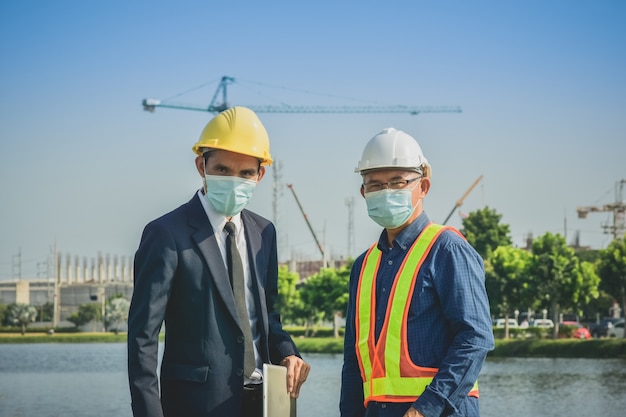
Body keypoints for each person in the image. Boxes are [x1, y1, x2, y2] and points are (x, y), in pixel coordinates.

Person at [128, 106, 310, 417]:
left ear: (260, 174)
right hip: (196, 406)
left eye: (246, 173)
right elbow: (142, 339)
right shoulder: (166, 234)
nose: (234, 180)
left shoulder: (264, 232)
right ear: (201, 165)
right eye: (223, 170)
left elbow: (268, 318)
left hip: (266, 403)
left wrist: (288, 353)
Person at [340, 128, 494, 417]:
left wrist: (425, 409)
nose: (386, 192)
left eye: (398, 182)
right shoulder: (363, 266)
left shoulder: (447, 249)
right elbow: (354, 360)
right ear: (363, 192)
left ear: (423, 187)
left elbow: (475, 338)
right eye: (374, 185)